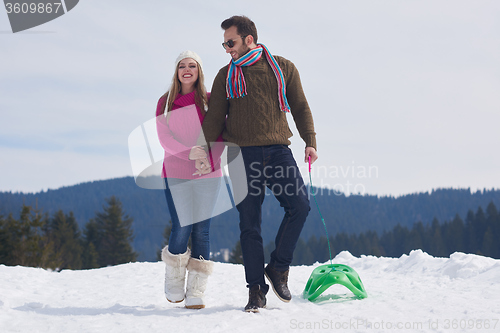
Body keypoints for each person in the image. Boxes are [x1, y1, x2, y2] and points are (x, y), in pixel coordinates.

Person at [194, 16, 318, 312]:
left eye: (230, 42)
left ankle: (277, 267)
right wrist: (202, 148)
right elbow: (215, 117)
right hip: (240, 154)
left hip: (278, 149)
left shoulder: (283, 68)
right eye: (224, 43)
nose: (227, 48)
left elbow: (300, 105)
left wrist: (310, 140)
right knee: (250, 224)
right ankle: (255, 290)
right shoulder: (226, 75)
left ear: (249, 39)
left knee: (300, 205)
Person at [155, 50, 224, 309]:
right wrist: (190, 153)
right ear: (177, 72)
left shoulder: (209, 101)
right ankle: (174, 278)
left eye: (192, 65)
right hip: (176, 172)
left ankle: (196, 289)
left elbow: (221, 133)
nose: (187, 69)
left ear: (198, 71)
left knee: (202, 230)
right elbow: (164, 138)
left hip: (209, 173)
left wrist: (210, 159)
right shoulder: (166, 101)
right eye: (182, 65)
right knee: (182, 226)